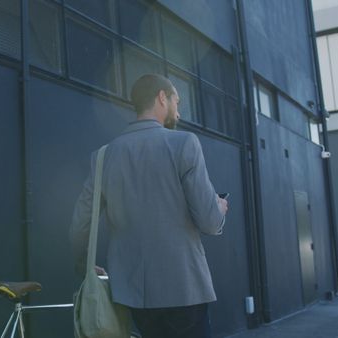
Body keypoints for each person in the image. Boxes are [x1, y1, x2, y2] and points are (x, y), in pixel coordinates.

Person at [69, 74, 228, 338]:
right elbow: (210, 222)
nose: (179, 109)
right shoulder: (184, 144)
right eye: (177, 100)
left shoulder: (103, 156)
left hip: (133, 294)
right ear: (162, 98)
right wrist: (220, 208)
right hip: (183, 287)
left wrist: (83, 263)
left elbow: (80, 222)